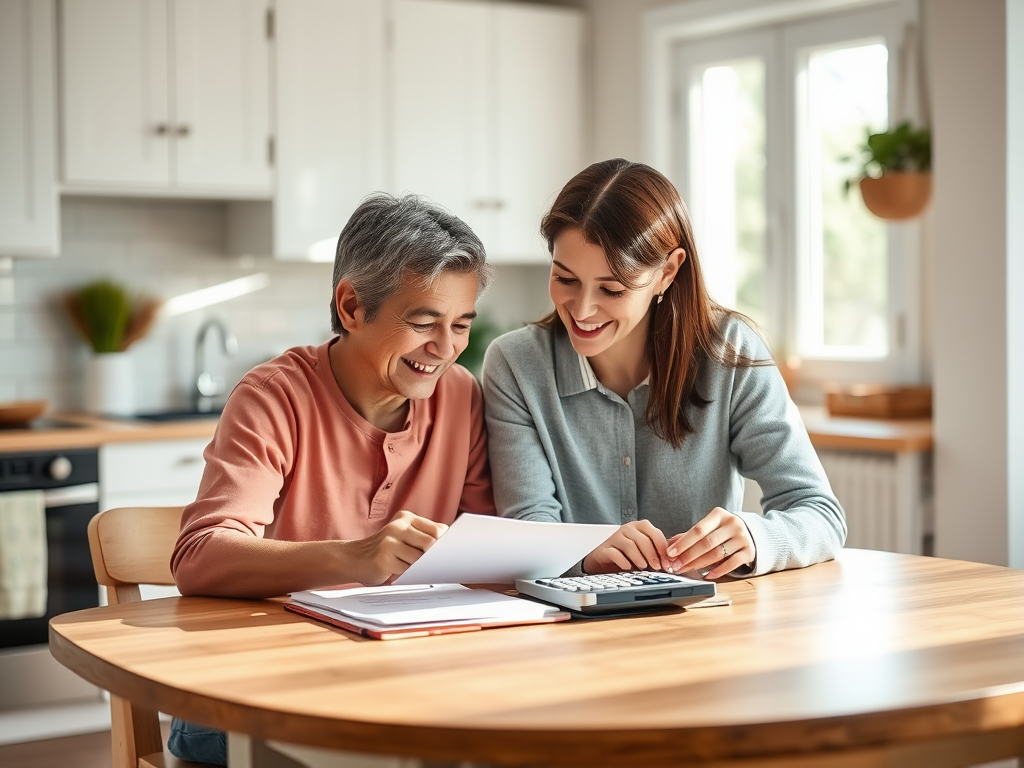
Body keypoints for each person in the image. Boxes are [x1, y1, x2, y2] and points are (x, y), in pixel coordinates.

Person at [167, 193, 496, 765]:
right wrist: (353, 557)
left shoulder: (461, 398)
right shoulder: (274, 398)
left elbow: (487, 549)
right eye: (423, 323)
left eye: (461, 325)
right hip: (255, 697)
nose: (446, 349)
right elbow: (198, 557)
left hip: (396, 689)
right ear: (351, 306)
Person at [481, 158, 845, 580]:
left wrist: (753, 536)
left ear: (667, 272)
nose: (582, 309)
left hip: (707, 625)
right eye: (565, 279)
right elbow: (526, 524)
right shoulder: (516, 365)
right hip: (573, 629)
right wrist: (585, 553)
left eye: (611, 288)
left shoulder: (730, 352)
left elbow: (819, 514)